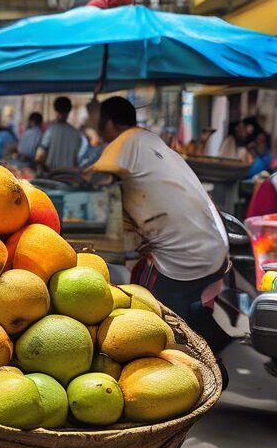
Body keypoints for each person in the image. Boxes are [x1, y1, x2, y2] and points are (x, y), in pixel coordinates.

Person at [87, 96, 229, 354]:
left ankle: (194, 371)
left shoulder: (125, 142)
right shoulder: (150, 140)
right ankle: (207, 349)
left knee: (159, 329)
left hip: (184, 255)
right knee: (183, 318)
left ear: (108, 122)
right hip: (211, 246)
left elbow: (93, 181)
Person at [37, 98, 84, 172]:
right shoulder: (76, 133)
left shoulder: (50, 129)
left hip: (51, 174)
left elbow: (40, 156)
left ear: (55, 110)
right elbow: (76, 160)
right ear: (69, 111)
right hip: (69, 175)